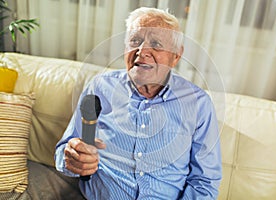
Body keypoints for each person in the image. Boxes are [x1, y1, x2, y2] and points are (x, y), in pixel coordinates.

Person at [55, 7, 222, 200]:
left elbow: (204, 183)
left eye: (156, 44)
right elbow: (66, 150)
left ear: (176, 55)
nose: (142, 52)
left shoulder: (198, 104)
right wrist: (72, 159)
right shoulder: (100, 87)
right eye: (135, 41)